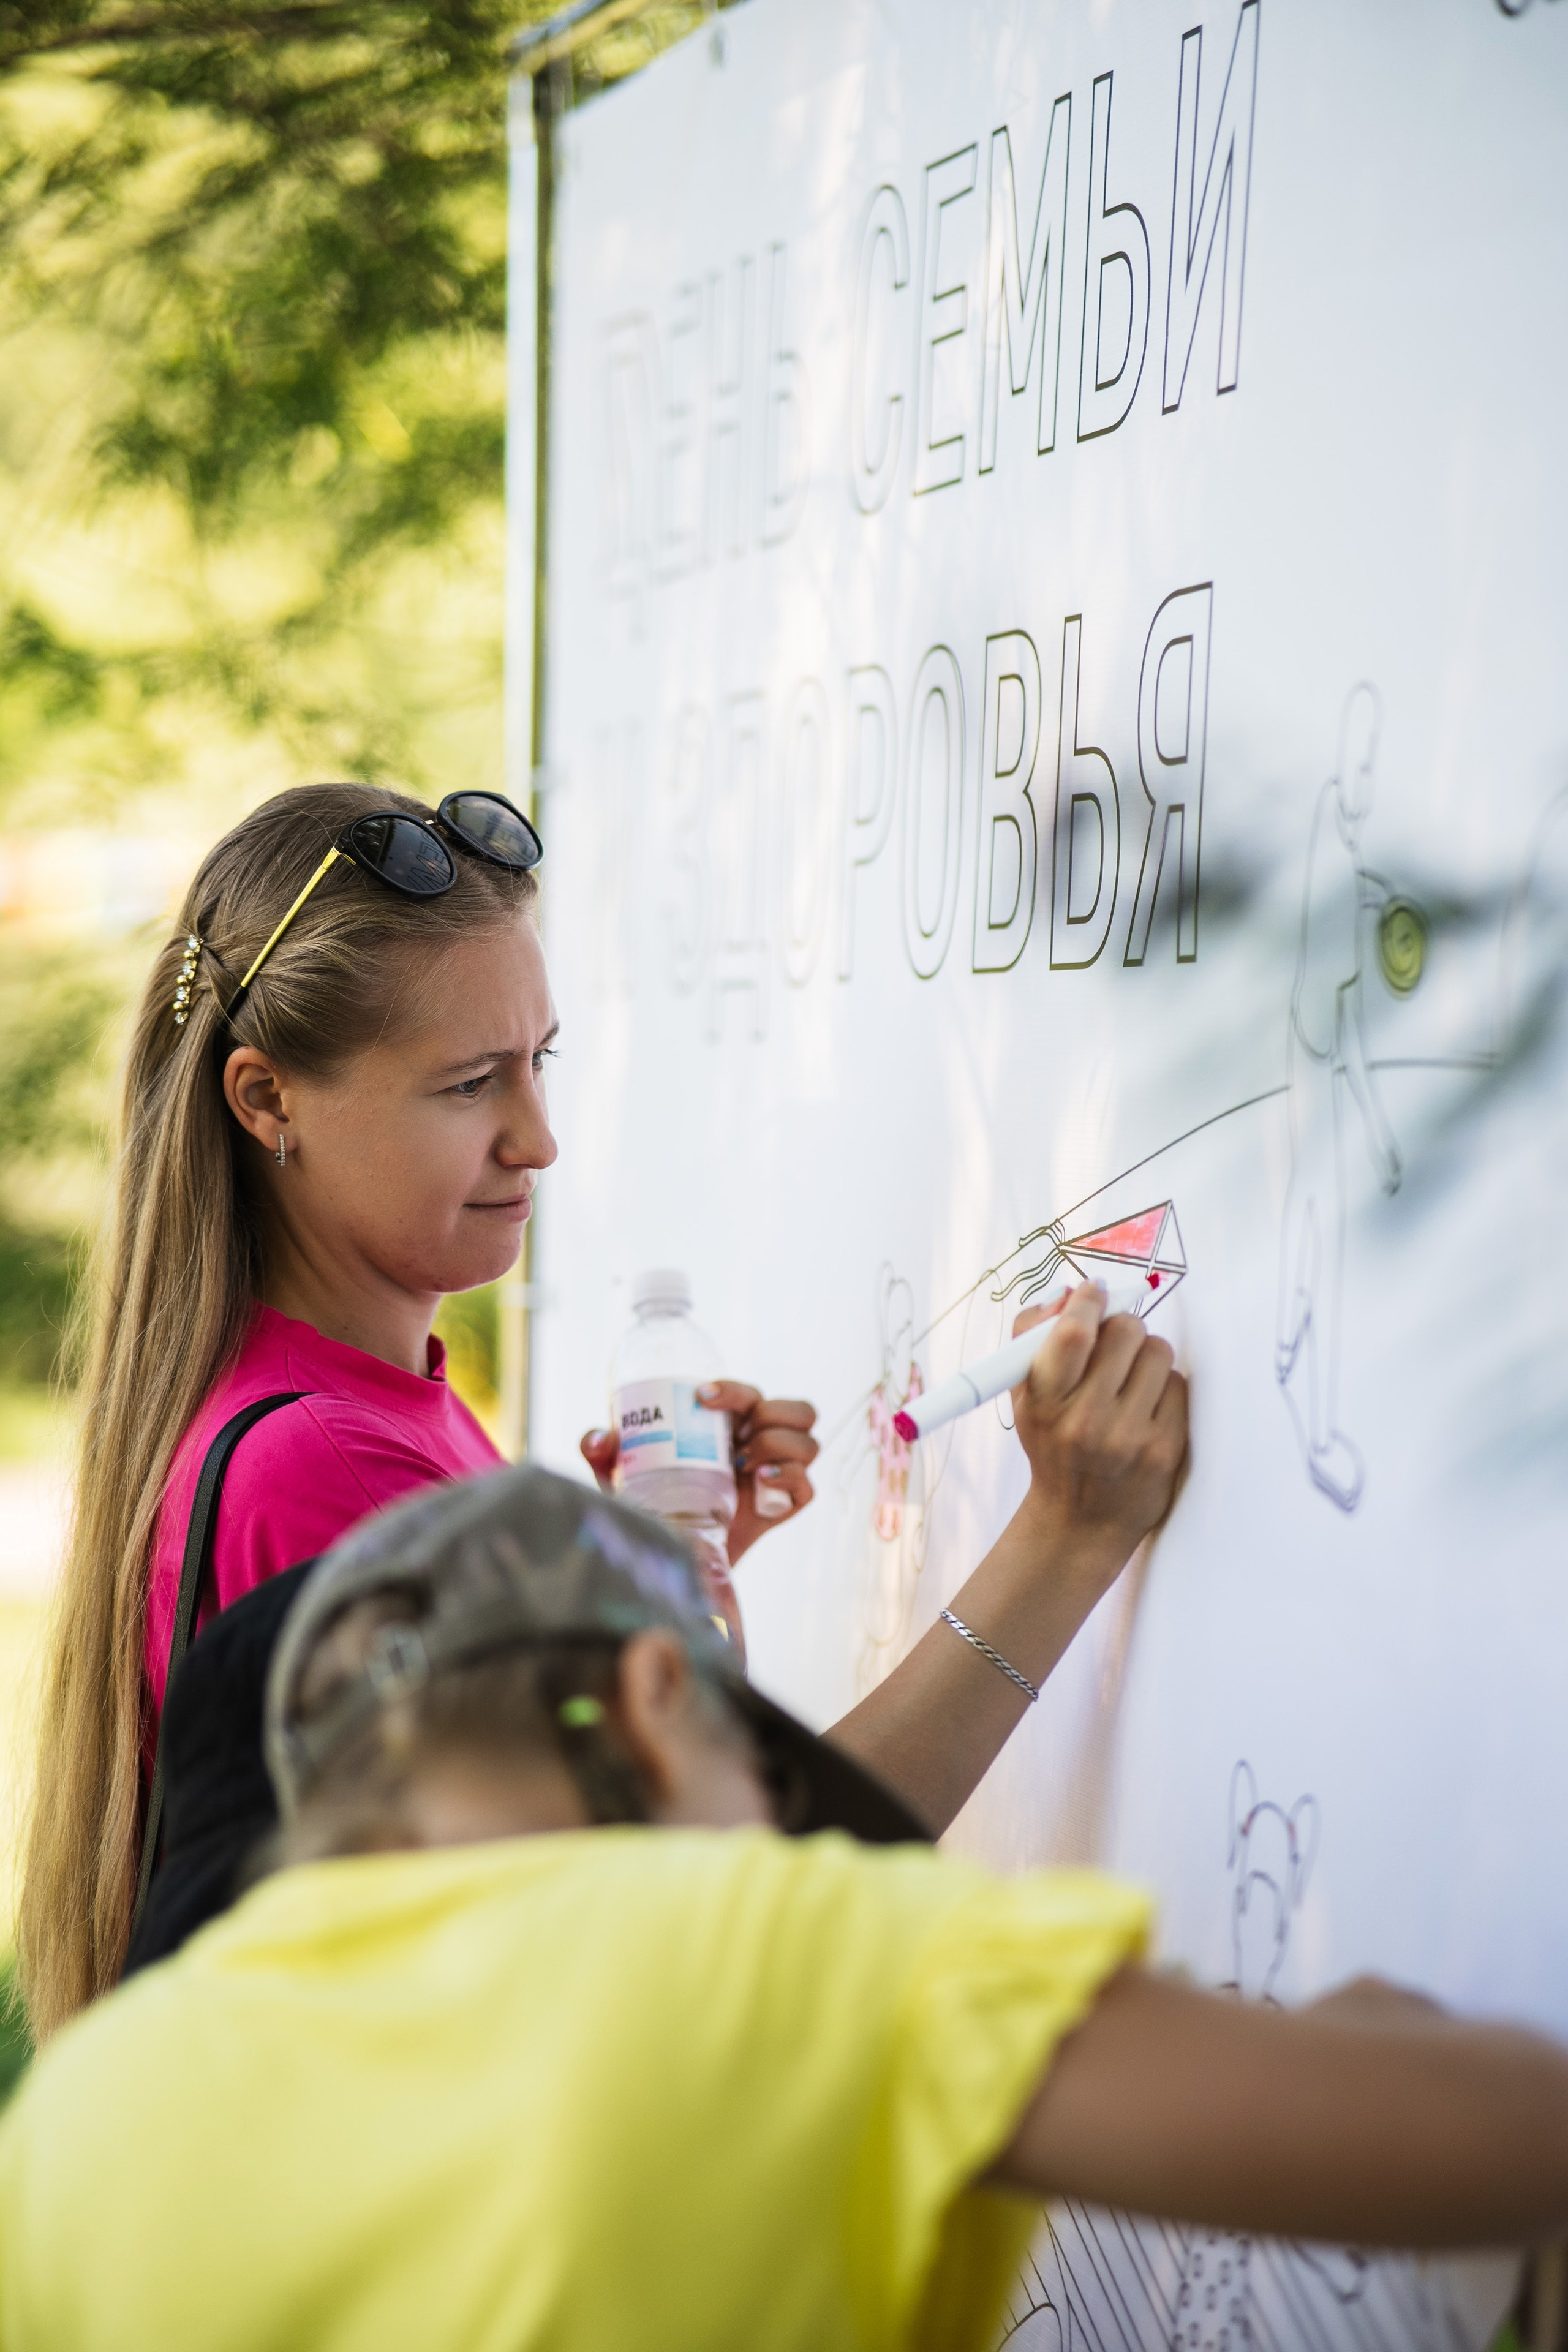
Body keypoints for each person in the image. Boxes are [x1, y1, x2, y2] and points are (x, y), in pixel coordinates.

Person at [18, 781, 1189, 2042]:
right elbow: (726, 1922)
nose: (538, 1138)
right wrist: (1067, 1537)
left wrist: (660, 1589)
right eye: (468, 1086)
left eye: (540, 1061)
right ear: (265, 1102)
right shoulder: (325, 1466)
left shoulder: (363, 1410)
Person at [1, 1465, 1561, 2352]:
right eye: (770, 1771)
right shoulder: (755, 1949)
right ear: (658, 1692)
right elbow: (1493, 2145)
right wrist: (1368, 2039)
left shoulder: (82, 2112)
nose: (776, 1836)